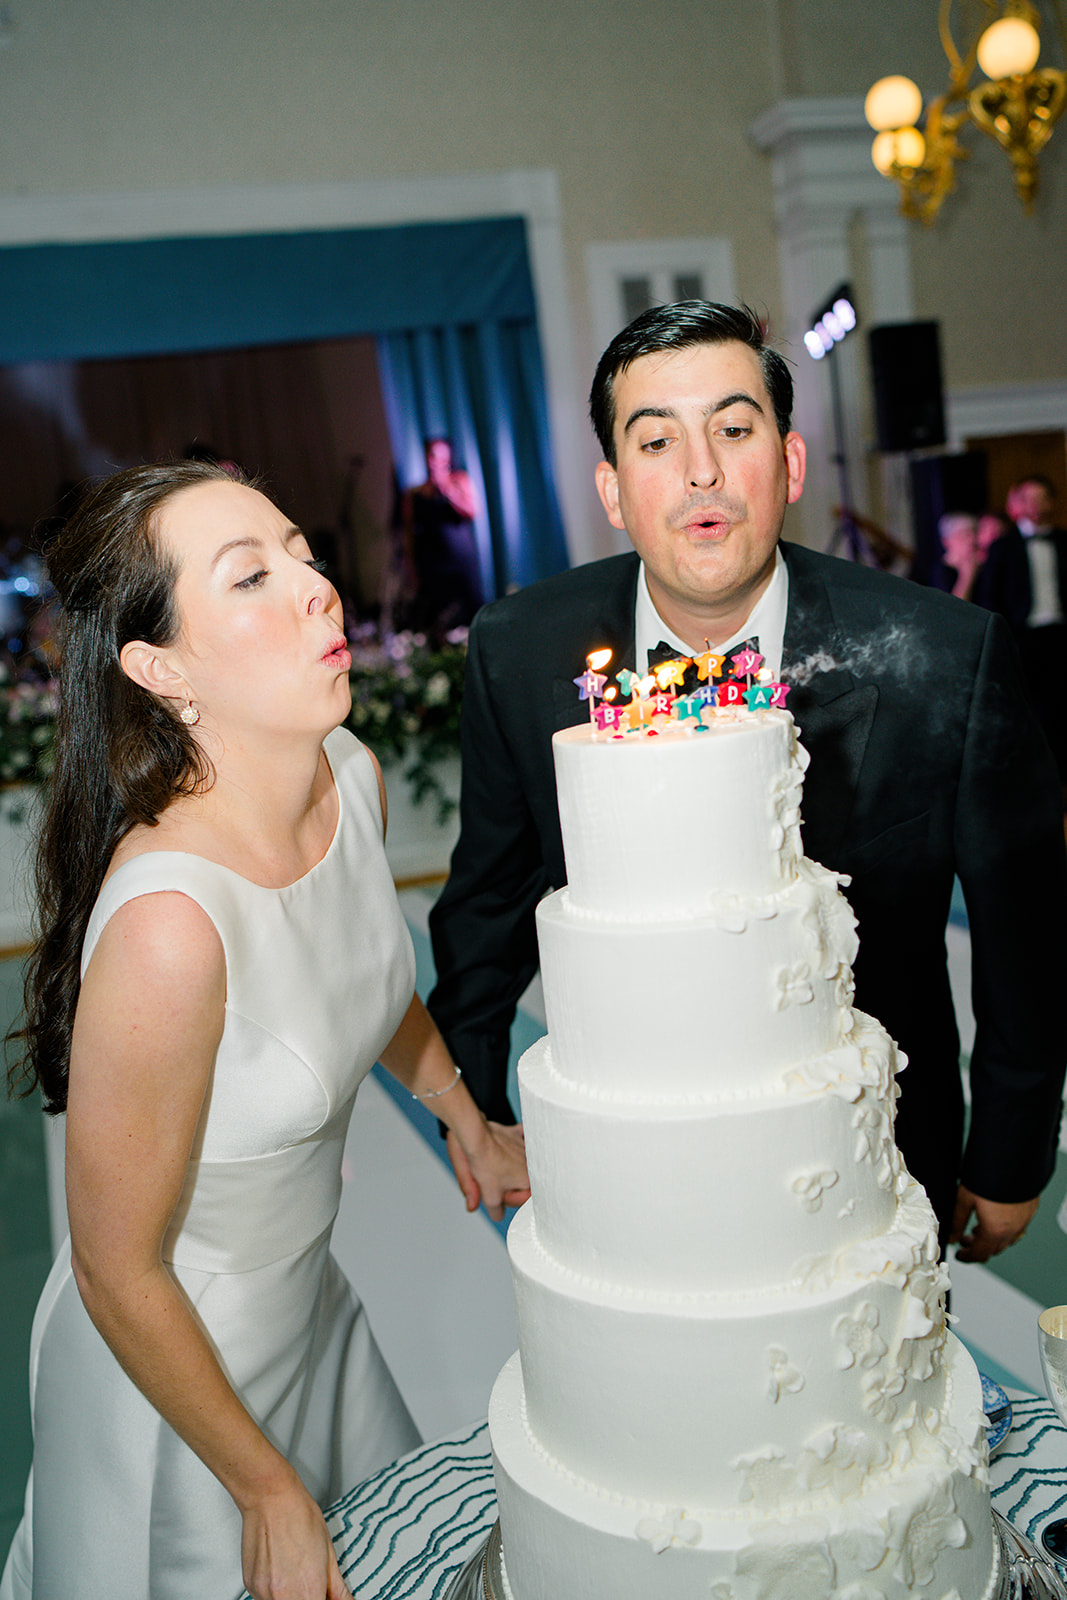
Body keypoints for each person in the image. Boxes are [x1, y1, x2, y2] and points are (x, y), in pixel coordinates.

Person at [427, 300, 1067, 1267]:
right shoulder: (521, 652)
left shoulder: (941, 653)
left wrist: (1012, 1154)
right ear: (610, 488)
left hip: (875, 1144)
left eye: (733, 429)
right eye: (655, 441)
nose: (700, 471)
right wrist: (476, 1107)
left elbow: (1024, 932)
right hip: (637, 1156)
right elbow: (488, 898)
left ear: (790, 463)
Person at [0, 461, 529, 1600]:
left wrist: (462, 1115)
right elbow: (112, 1265)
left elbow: (359, 979)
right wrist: (262, 1489)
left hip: (313, 1311)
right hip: (171, 1381)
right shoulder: (169, 928)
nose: (317, 587)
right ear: (161, 669)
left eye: (301, 551)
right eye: (251, 576)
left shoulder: (350, 775)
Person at [976, 473, 1067, 787]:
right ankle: (1030, 783)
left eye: (1042, 498)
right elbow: (990, 597)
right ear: (1017, 503)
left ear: (1052, 502)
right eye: (1028, 498)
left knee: (1059, 711)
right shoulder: (1003, 547)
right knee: (1023, 711)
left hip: (1059, 636)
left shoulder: (1063, 542)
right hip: (1021, 638)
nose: (1035, 505)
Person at [400, 438, 485, 636]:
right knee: (439, 618)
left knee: (473, 608)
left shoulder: (459, 480)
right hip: (432, 563)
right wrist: (411, 567)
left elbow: (473, 510)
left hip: (461, 558)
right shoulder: (414, 493)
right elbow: (408, 532)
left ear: (448, 457)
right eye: (430, 455)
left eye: (438, 455)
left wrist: (448, 492)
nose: (434, 460)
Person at [933, 510, 983, 600]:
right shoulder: (939, 574)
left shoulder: (981, 564)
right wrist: (966, 577)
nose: (972, 540)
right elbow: (950, 610)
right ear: (946, 541)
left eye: (974, 533)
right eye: (965, 535)